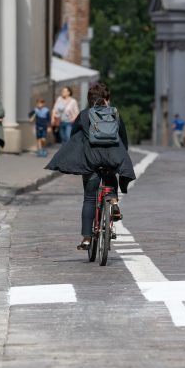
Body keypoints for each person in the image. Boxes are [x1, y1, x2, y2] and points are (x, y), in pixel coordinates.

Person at [46, 82, 136, 251]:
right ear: (107, 99)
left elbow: (74, 137)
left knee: (89, 198)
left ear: (90, 99)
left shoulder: (84, 115)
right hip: (111, 158)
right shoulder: (115, 113)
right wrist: (120, 155)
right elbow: (123, 139)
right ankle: (114, 202)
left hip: (91, 160)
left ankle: (87, 239)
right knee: (110, 177)